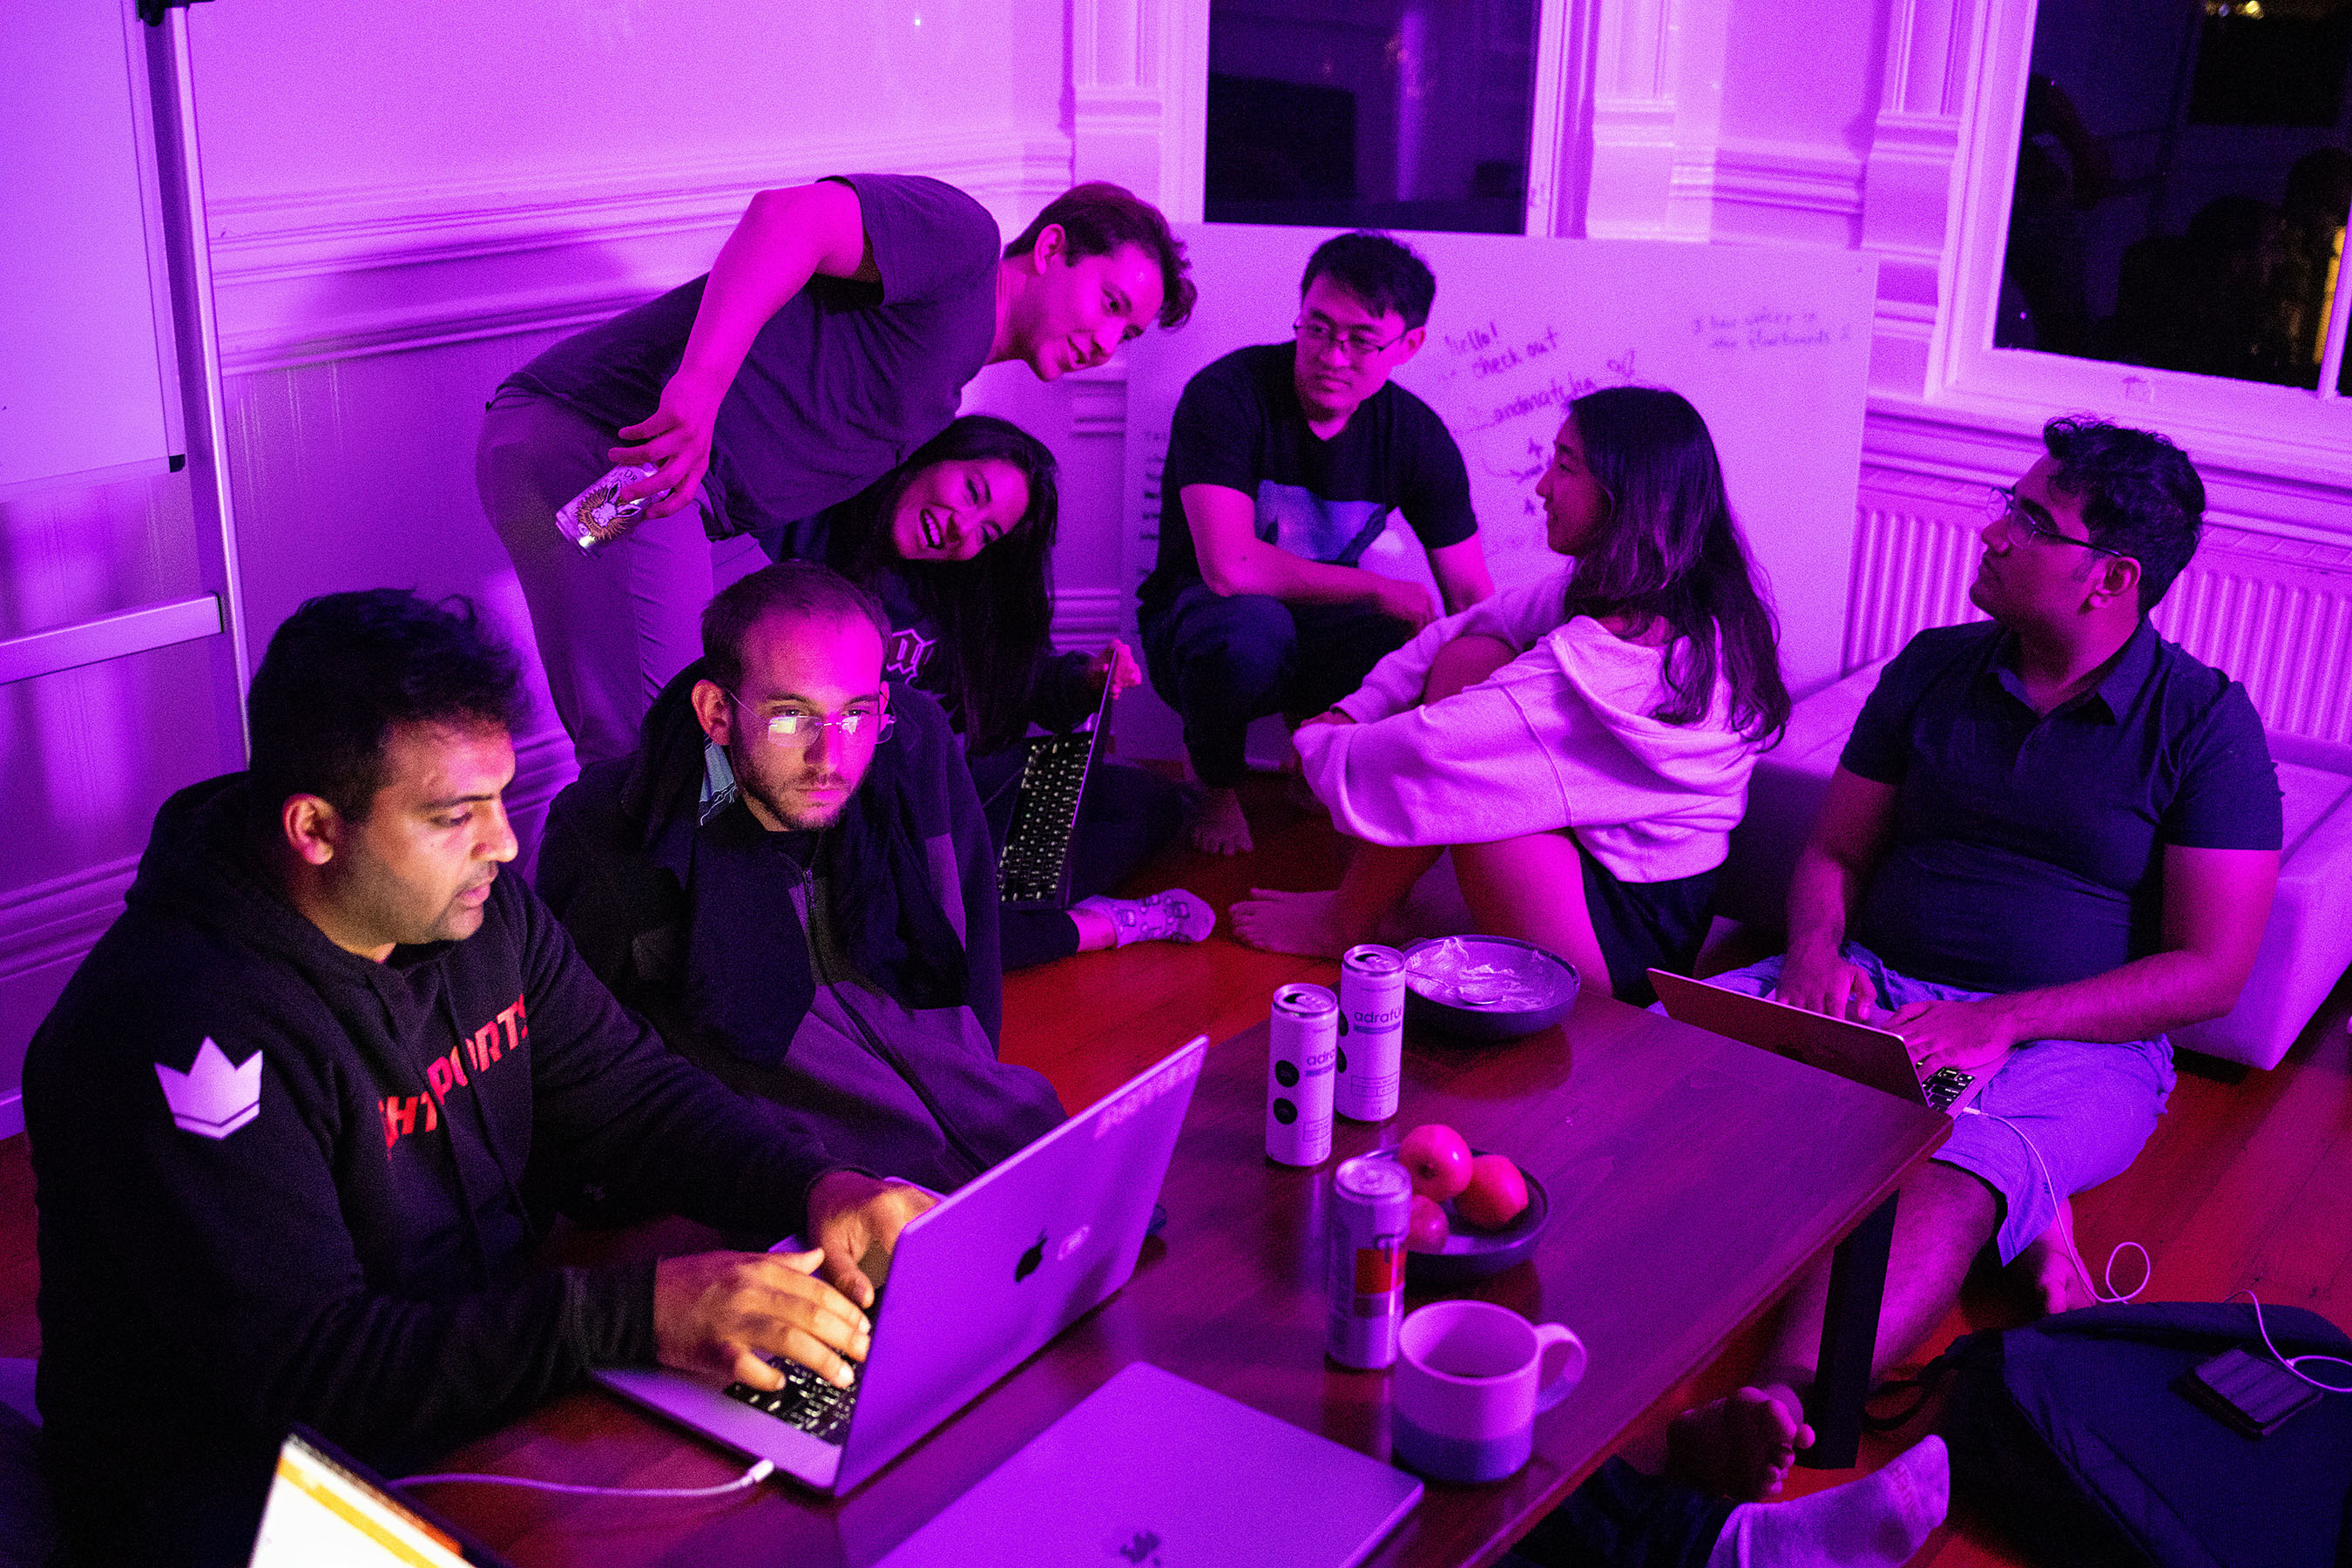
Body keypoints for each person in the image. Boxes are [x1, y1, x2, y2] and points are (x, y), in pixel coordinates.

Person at [24, 591, 927, 1566]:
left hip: (464, 1375)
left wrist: (817, 1185)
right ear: (315, 829)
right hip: (229, 1470)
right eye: (456, 815)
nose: (503, 843)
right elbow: (311, 1368)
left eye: (497, 799)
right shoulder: (173, 1034)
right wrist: (638, 1315)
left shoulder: (478, 912)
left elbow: (634, 1098)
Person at [1669, 419, 2281, 1501]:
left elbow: (2211, 970)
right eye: (2009, 505)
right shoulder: (1936, 667)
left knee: (1955, 1175)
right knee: (1659, 1054)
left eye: (2030, 523)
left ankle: (1777, 1400)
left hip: (2070, 1043)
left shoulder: (2205, 723)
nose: (1992, 532)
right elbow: (1833, 849)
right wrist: (1815, 954)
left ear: (2111, 578)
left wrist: (2003, 1021)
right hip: (1869, 983)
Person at [481, 176, 1195, 770]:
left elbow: (590, 527)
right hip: (604, 445)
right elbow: (787, 215)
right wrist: (698, 384)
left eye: (1126, 335)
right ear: (1050, 249)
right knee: (666, 758)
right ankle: (581, 934)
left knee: (782, 713)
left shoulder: (939, 393)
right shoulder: (966, 248)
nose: (1106, 344)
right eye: (1110, 304)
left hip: (636, 493)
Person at [1234, 388, 1789, 1007]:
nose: (1543, 486)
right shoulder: (1676, 590)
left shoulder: (1616, 664)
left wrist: (1316, 745)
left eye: (1567, 467)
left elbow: (1432, 749)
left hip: (1630, 949)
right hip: (1654, 894)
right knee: (1470, 657)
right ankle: (1370, 909)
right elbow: (1468, 627)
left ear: (1628, 498)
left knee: (1466, 776)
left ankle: (1348, 921)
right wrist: (1355, 709)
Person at [536, 563, 1069, 1193]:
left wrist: (983, 1077)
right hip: (810, 1190)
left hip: (1008, 1130)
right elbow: (581, 1082)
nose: (831, 758)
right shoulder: (608, 838)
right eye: (792, 716)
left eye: (855, 714)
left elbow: (972, 945)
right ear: (716, 714)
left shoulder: (914, 747)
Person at [764, 416, 1213, 967]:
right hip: (851, 815)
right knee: (947, 927)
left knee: (1142, 803)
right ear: (931, 453)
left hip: (950, 792)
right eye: (972, 492)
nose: (962, 532)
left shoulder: (954, 589)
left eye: (986, 534)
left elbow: (1015, 682)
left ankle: (1025, 905)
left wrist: (1086, 679)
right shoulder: (815, 529)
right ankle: (1101, 924)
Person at [1138, 230, 1495, 856]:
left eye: (1361, 340)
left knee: (1415, 642)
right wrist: (1380, 587)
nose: (1333, 355)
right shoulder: (1227, 395)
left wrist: (1504, 691)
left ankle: (1316, 757)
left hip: (1317, 626)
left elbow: (1470, 592)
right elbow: (1227, 566)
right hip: (1200, 618)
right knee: (1247, 632)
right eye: (1319, 328)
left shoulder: (1415, 435)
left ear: (1407, 346)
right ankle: (1215, 784)